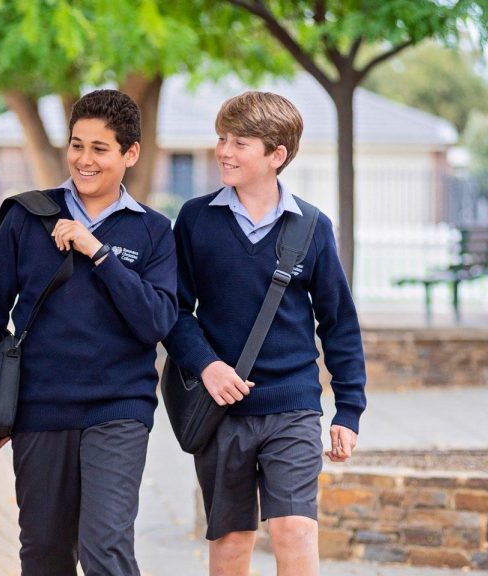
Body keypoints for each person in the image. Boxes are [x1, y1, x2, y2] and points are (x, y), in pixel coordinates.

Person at [0, 89, 178, 575]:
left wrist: (98, 253)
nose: (84, 160)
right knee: (44, 553)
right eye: (77, 145)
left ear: (130, 154)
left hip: (119, 408)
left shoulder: (153, 231)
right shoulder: (26, 218)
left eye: (99, 149)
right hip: (39, 408)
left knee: (106, 550)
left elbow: (157, 321)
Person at [162, 91, 367, 576]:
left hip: (293, 404)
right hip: (221, 409)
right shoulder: (195, 218)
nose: (224, 151)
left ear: (277, 155)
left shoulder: (312, 227)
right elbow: (173, 310)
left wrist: (349, 409)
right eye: (222, 138)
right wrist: (207, 366)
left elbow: (338, 322)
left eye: (240, 143)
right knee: (232, 540)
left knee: (294, 530)